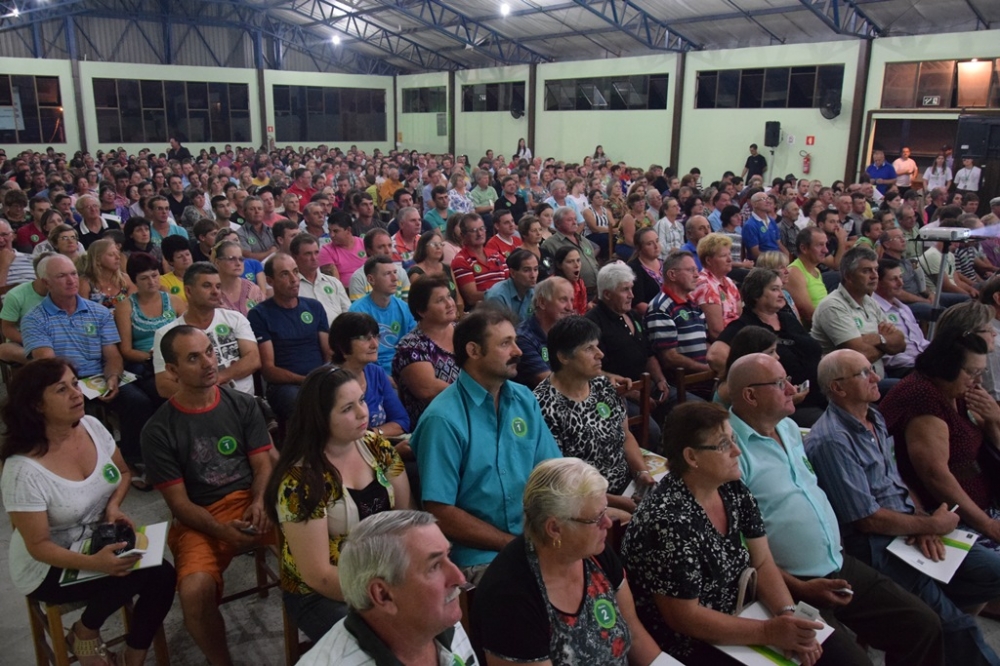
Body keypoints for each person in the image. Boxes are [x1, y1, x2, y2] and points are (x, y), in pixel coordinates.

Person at [727, 353, 948, 666]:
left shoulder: (789, 428)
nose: (792, 388)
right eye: (780, 384)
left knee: (924, 625)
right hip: (792, 584)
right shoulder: (732, 449)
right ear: (750, 395)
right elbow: (737, 546)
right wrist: (799, 587)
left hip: (837, 563)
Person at [808, 349, 1000, 665]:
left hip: (909, 526)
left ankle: (920, 620)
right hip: (876, 544)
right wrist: (930, 526)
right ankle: (933, 621)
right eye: (863, 373)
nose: (876, 377)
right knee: (956, 624)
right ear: (838, 388)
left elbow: (894, 480)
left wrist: (922, 519)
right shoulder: (832, 441)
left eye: (872, 368)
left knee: (991, 572)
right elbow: (867, 520)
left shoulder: (874, 417)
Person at [622, 401, 828, 665]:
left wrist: (787, 615)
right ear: (691, 457)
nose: (737, 451)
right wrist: (768, 632)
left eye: (733, 439)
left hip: (742, 614)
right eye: (723, 445)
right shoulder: (666, 521)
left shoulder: (732, 489)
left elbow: (763, 561)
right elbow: (685, 618)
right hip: (690, 645)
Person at [1, 358, 176, 666]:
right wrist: (95, 563)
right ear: (36, 405)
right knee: (138, 573)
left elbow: (122, 472)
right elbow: (38, 545)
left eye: (74, 382)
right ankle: (86, 629)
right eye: (61, 389)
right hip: (47, 564)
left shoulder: (92, 427)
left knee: (161, 572)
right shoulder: (22, 470)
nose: (77, 393)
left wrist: (112, 506)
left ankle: (130, 654)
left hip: (96, 537)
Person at [141, 325, 274, 666]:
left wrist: (259, 503)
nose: (208, 363)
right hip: (202, 516)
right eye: (193, 358)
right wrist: (221, 530)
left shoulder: (243, 405)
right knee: (194, 591)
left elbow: (262, 466)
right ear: (172, 371)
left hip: (253, 501)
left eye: (210, 352)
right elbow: (180, 504)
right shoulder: (158, 430)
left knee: (318, 544)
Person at [410, 307, 561, 582]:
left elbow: (552, 472)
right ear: (474, 351)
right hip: (480, 557)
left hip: (535, 539)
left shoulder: (524, 399)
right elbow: (440, 511)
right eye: (505, 343)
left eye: (515, 341)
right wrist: (512, 545)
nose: (518, 351)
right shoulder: (443, 418)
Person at [473, 458, 674, 665]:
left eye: (605, 511)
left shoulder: (596, 554)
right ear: (555, 528)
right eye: (596, 518)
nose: (607, 523)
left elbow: (636, 636)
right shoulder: (511, 596)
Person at [263, 365, 410, 642]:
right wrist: (384, 594)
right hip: (322, 593)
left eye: (362, 401)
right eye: (346, 409)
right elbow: (318, 575)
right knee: (385, 641)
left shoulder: (377, 445)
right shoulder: (301, 480)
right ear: (320, 418)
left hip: (383, 571)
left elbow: (406, 515)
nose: (362, 413)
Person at [21, 253, 154, 476]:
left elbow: (112, 355)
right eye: (62, 276)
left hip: (99, 377)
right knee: (69, 406)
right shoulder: (34, 319)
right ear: (46, 283)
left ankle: (132, 460)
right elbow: (49, 365)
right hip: (62, 381)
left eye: (73, 274)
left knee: (138, 402)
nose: (71, 280)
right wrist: (75, 387)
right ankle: (76, 463)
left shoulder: (98, 312)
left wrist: (112, 378)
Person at [294, 510, 477, 666]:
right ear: (383, 595)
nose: (459, 578)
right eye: (434, 566)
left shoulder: (441, 624)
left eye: (448, 556)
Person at [534, 316, 655, 510]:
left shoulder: (602, 385)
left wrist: (641, 473)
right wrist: (615, 502)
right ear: (564, 357)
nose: (600, 354)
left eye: (597, 346)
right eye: (589, 348)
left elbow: (625, 436)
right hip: (581, 501)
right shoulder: (543, 404)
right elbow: (561, 479)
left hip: (627, 486)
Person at [708, 267, 823, 422]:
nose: (782, 295)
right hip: (783, 408)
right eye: (775, 289)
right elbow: (715, 355)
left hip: (818, 394)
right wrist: (751, 374)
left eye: (782, 289)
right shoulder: (745, 326)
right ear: (756, 294)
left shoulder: (787, 319)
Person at [151, 262, 261, 399]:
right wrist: (206, 394)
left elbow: (253, 359)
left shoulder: (235, 318)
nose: (215, 291)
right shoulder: (166, 333)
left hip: (244, 402)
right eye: (207, 286)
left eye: (218, 286)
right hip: (198, 409)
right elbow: (164, 385)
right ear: (189, 291)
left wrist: (218, 379)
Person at [247, 252, 331, 423]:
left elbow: (329, 353)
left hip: (319, 378)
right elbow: (269, 370)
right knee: (300, 403)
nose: (294, 279)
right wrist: (306, 381)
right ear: (270, 281)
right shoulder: (259, 314)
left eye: (295, 271)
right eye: (285, 274)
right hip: (285, 386)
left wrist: (323, 377)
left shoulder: (314, 306)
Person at [810, 246, 905, 392]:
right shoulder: (833, 306)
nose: (874, 276)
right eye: (866, 271)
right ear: (848, 276)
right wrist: (886, 343)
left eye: (875, 269)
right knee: (907, 389)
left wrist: (878, 340)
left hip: (874, 378)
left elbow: (901, 343)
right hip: (846, 387)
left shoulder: (869, 301)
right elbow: (861, 356)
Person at [392, 276, 460, 428]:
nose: (450, 304)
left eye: (449, 296)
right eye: (440, 300)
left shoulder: (464, 332)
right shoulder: (411, 346)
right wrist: (476, 394)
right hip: (435, 425)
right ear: (422, 311)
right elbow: (428, 390)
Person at [330, 312, 410, 437]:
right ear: (342, 345)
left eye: (376, 336)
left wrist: (372, 435)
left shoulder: (376, 373)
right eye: (365, 338)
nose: (375, 344)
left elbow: (402, 421)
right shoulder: (327, 381)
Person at [645, 251, 711, 386]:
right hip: (683, 384)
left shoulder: (693, 304)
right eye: (690, 270)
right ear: (672, 275)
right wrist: (706, 370)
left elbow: (706, 343)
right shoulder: (660, 307)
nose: (696, 275)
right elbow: (669, 358)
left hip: (704, 379)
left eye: (696, 270)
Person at [348, 256, 416, 376]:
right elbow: (357, 356)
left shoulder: (404, 308)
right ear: (371, 279)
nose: (395, 278)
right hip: (371, 372)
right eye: (387, 274)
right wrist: (384, 378)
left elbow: (413, 345)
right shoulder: (357, 311)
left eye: (395, 272)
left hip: (404, 369)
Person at [873, 258, 929, 377]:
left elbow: (920, 342)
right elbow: (888, 357)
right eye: (894, 279)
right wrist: (922, 362)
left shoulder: (903, 307)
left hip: (922, 362)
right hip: (904, 369)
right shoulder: (874, 310)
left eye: (900, 277)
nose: (901, 283)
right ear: (878, 283)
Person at [0, 251, 50, 364]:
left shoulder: (64, 292)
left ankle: (46, 363)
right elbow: (7, 329)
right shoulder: (16, 295)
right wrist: (34, 342)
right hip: (23, 341)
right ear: (39, 274)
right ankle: (45, 362)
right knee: (4, 349)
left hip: (57, 338)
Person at [291, 232, 350, 326]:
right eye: (308, 254)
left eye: (316, 252)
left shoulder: (333, 282)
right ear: (295, 257)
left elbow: (348, 313)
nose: (314, 258)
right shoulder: (292, 287)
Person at [691, 233, 742, 341]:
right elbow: (716, 331)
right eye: (724, 256)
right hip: (721, 344)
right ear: (709, 260)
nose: (729, 259)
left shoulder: (729, 282)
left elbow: (739, 317)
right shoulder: (704, 285)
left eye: (730, 254)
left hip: (737, 338)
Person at [451, 212, 508, 308]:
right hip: (483, 311)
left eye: (482, 229)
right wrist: (502, 293)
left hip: (506, 305)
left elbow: (509, 283)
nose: (479, 233)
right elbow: (472, 297)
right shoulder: (461, 260)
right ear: (462, 235)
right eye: (473, 230)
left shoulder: (496, 255)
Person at [542, 206, 600, 300]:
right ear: (557, 223)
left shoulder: (584, 240)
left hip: (596, 291)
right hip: (573, 295)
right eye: (569, 220)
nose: (574, 222)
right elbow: (549, 272)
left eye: (575, 219)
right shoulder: (550, 244)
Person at [406, 229, 464, 311]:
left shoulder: (447, 268)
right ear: (423, 247)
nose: (438, 247)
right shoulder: (416, 273)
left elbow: (458, 298)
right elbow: (422, 304)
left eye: (440, 244)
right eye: (434, 244)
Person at [347, 228, 411, 302]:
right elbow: (358, 311)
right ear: (369, 251)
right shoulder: (358, 278)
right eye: (381, 247)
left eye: (390, 246)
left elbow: (407, 305)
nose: (387, 251)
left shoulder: (401, 272)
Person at [77, 238, 135, 310]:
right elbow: (83, 312)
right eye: (111, 254)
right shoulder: (85, 282)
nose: (118, 257)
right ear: (97, 260)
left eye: (117, 253)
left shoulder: (125, 280)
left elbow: (135, 309)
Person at [212, 239, 265, 317]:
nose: (238, 263)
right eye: (231, 259)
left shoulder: (253, 290)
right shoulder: (211, 292)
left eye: (241, 259)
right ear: (217, 262)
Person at [318, 212, 367, 287]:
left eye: (336, 231)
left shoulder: (365, 244)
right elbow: (334, 283)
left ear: (348, 230)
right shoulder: (326, 251)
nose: (331, 235)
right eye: (329, 231)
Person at [741, 191, 783, 260]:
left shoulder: (771, 221)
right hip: (762, 263)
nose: (768, 201)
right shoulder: (750, 225)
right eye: (763, 199)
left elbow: (778, 243)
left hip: (776, 259)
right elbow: (755, 253)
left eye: (768, 198)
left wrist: (786, 255)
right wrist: (774, 261)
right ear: (754, 204)